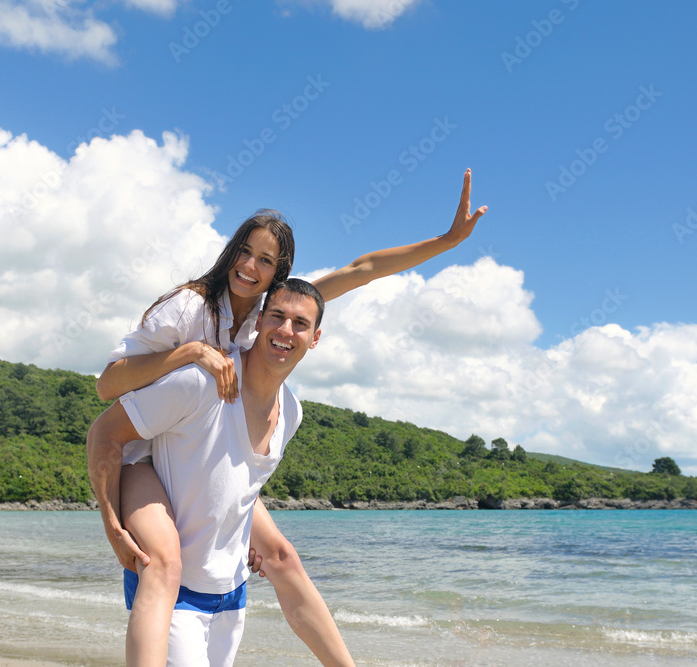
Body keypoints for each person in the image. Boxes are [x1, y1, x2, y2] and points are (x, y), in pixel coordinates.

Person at [95, 169, 488, 665]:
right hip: (143, 452)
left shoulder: (270, 312)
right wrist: (188, 353)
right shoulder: (189, 307)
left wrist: (448, 240)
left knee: (280, 554)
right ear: (231, 251)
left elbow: (362, 268)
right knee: (164, 564)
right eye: (245, 252)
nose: (250, 266)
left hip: (202, 446)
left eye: (265, 261)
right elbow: (107, 386)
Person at [87, 279, 325, 665]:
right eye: (277, 316)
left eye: (300, 323)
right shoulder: (200, 382)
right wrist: (113, 524)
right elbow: (105, 431)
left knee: (284, 556)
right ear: (259, 320)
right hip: (174, 594)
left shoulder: (291, 412)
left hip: (231, 594)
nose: (286, 329)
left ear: (315, 338)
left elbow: (238, 487)